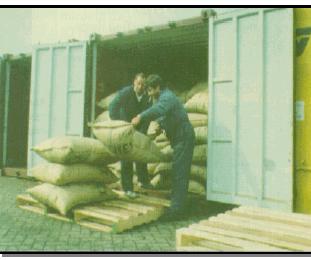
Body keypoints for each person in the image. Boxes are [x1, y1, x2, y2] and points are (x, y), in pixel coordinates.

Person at [132, 74, 195, 221]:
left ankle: (176, 211)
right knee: (177, 171)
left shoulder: (167, 97)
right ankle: (177, 206)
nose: (148, 93)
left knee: (179, 173)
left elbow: (160, 110)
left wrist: (140, 117)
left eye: (150, 90)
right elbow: (166, 116)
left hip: (183, 137)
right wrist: (160, 127)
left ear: (158, 87)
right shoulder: (161, 97)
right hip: (179, 138)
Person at [109, 73, 153, 199]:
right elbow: (112, 107)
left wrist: (144, 130)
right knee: (127, 157)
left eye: (143, 84)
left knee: (140, 153)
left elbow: (148, 115)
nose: (141, 87)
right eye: (139, 83)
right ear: (134, 82)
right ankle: (128, 188)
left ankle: (143, 181)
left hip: (139, 129)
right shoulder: (126, 93)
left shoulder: (147, 97)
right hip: (125, 128)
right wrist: (119, 123)